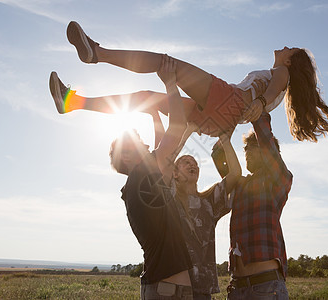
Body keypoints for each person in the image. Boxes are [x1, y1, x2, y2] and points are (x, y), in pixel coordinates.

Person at [58, 20, 328, 141]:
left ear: (290, 61)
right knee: (148, 98)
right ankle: (72, 102)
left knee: (165, 64)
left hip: (228, 101)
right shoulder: (277, 88)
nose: (285, 46)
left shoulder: (281, 75)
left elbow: (271, 89)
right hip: (220, 122)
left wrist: (260, 101)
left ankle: (96, 54)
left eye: (291, 49)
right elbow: (257, 110)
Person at [110, 55, 193, 299]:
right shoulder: (141, 177)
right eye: (138, 143)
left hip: (168, 290)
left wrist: (155, 115)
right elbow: (176, 127)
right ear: (127, 157)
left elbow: (163, 149)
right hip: (166, 292)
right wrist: (170, 83)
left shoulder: (141, 183)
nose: (146, 144)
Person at [212, 109, 293, 299]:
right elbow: (218, 154)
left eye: (251, 147)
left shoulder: (278, 180)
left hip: (266, 287)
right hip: (237, 288)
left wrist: (257, 110)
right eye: (245, 148)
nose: (246, 152)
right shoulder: (239, 184)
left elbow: (266, 139)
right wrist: (228, 125)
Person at [171, 132, 241, 299]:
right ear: (174, 173)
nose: (192, 164)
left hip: (202, 288)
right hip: (174, 286)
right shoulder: (169, 199)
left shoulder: (209, 202)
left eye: (194, 163)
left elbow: (235, 173)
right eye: (185, 162)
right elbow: (164, 163)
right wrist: (188, 130)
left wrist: (225, 139)